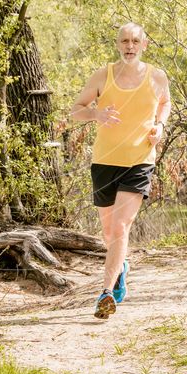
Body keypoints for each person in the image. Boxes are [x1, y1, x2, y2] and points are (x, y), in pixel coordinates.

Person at [70, 22, 171, 319]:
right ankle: (122, 266)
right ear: (118, 44)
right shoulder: (103, 75)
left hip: (139, 161)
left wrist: (160, 126)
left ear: (144, 45)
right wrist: (95, 113)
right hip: (104, 161)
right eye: (125, 41)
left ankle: (105, 292)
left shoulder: (156, 77)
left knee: (120, 227)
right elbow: (76, 109)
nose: (130, 46)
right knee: (108, 232)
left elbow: (164, 104)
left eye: (135, 41)